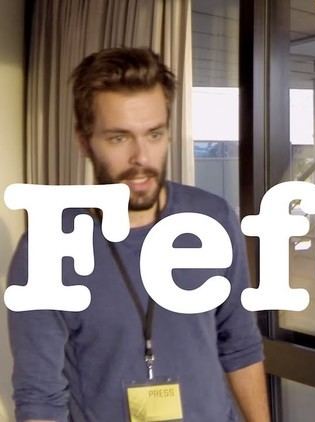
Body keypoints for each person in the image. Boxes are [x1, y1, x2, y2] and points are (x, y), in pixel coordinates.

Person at [7, 48, 270, 421]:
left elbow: (240, 345)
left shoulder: (213, 218)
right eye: (118, 138)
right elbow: (39, 397)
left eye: (154, 134)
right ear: (84, 141)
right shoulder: (48, 248)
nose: (141, 157)